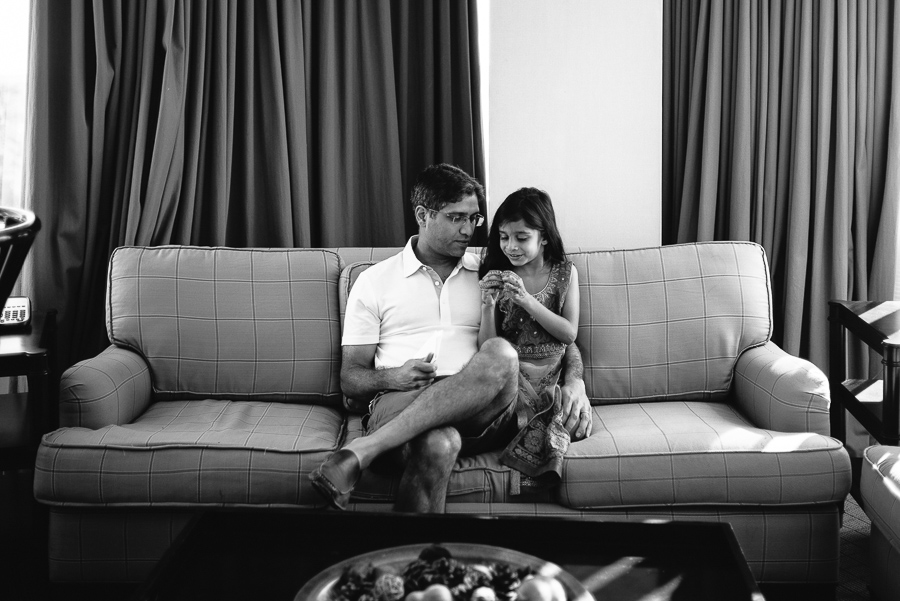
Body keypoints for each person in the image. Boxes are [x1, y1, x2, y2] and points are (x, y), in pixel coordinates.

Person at [309, 164, 592, 513]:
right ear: (423, 215)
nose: (468, 230)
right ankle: (421, 565)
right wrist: (393, 376)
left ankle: (362, 451)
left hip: (486, 411)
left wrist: (574, 379)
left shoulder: (491, 271)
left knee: (502, 352)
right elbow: (350, 379)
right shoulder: (374, 281)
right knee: (441, 443)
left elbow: (553, 335)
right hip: (403, 401)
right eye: (456, 217)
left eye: (473, 219)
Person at [478, 187, 584, 490]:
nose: (511, 246)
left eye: (521, 237)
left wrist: (526, 300)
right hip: (512, 372)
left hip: (551, 372)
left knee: (556, 415)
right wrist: (487, 306)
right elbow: (487, 348)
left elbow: (569, 333)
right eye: (503, 236)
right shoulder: (496, 274)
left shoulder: (565, 272)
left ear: (544, 237)